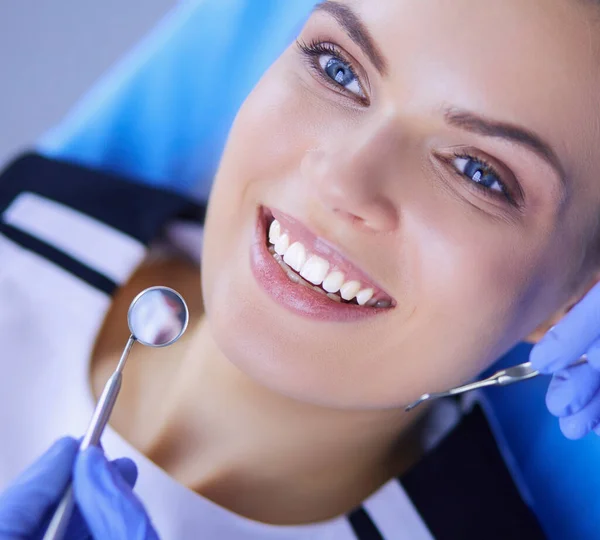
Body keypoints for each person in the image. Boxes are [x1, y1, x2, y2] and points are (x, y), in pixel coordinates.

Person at [1, 0, 600, 537]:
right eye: (338, 68)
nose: (342, 180)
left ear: (575, 303)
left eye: (477, 173)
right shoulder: (28, 225)